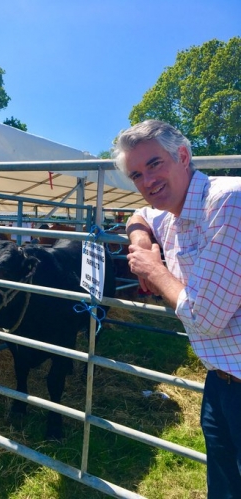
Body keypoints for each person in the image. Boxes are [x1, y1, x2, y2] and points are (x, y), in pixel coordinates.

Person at [112, 119, 241, 499]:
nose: (147, 180)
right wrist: (142, 241)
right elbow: (138, 214)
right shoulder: (170, 211)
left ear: (183, 156)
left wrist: (154, 269)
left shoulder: (228, 200)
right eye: (137, 173)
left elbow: (205, 317)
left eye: (154, 164)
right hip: (219, 379)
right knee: (222, 481)